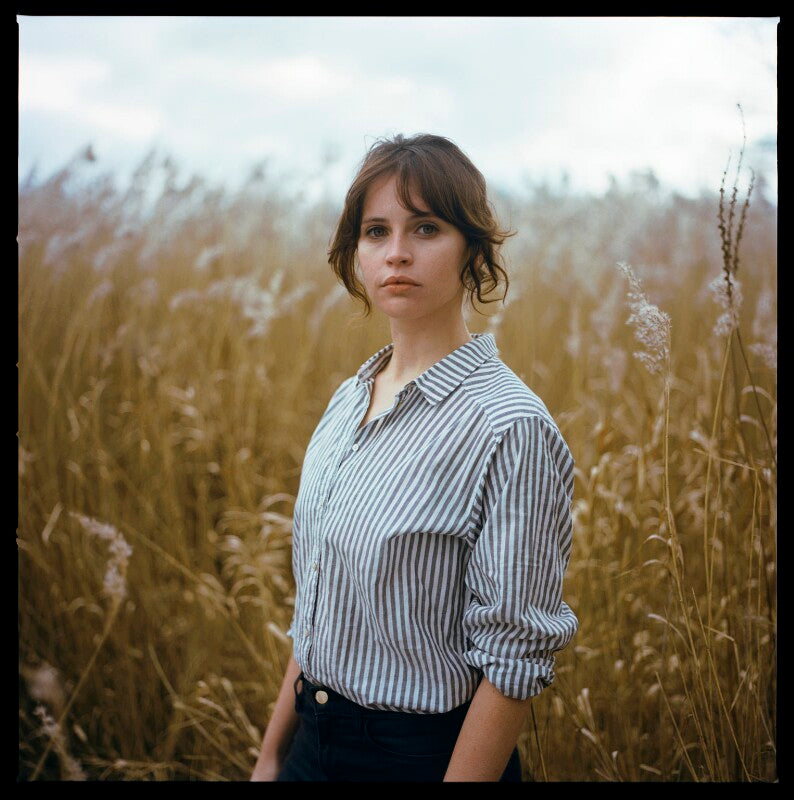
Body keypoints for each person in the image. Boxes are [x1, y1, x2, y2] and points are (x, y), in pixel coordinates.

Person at [250, 133, 578, 782]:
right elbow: (321, 606)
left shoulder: (508, 428)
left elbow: (513, 664)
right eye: (376, 231)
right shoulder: (349, 398)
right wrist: (270, 756)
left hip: (424, 760)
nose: (396, 253)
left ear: (473, 251)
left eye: (425, 227)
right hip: (310, 742)